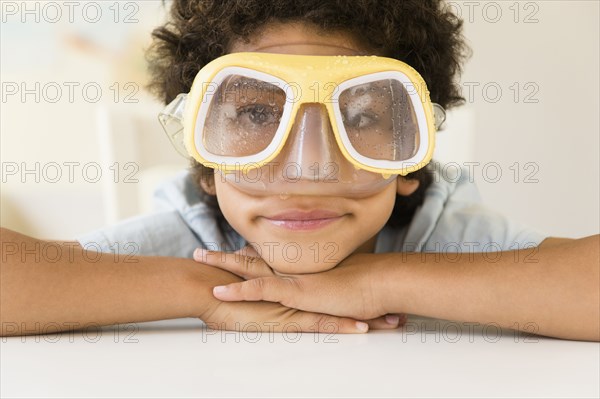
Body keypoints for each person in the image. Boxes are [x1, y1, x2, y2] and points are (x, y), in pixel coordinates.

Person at [1, 0, 598, 341]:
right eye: (257, 112)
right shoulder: (197, 245)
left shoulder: (441, 233)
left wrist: (381, 281)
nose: (309, 168)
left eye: (363, 115)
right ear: (205, 167)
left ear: (414, 158)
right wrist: (198, 292)